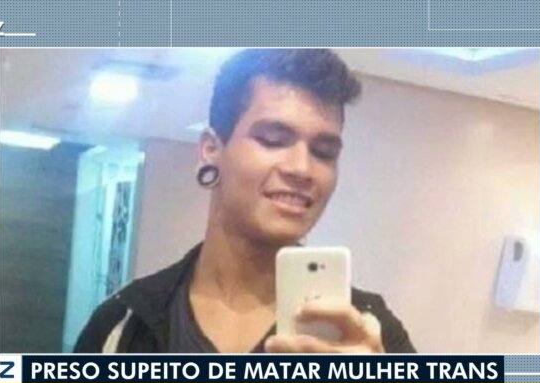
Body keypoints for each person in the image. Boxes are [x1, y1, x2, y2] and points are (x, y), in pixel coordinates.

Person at [75, 49, 415, 354]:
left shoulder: (369, 334)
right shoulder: (122, 324)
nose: (302, 168)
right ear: (211, 149)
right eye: (272, 140)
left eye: (324, 152)